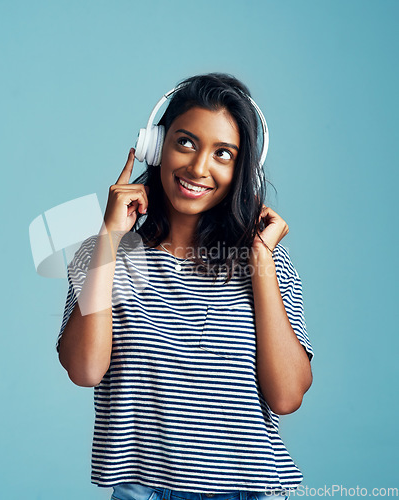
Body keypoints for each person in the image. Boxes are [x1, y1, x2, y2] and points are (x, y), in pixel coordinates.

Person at [56, 73, 314, 500]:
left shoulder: (266, 260)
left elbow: (286, 396)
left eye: (223, 154)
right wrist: (107, 238)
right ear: (157, 146)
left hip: (250, 491)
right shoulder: (103, 254)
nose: (198, 168)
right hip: (143, 491)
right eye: (186, 143)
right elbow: (84, 371)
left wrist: (262, 261)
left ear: (241, 169)